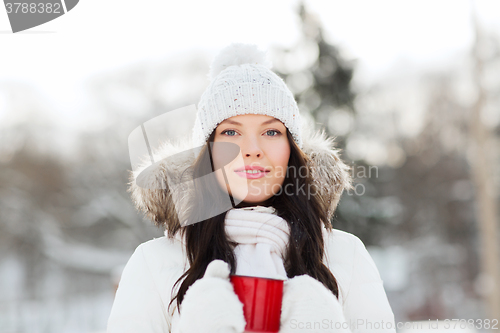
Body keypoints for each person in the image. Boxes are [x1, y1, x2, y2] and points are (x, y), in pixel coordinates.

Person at [106, 43, 396, 333]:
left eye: (271, 132)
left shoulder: (345, 254)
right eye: (231, 132)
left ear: (291, 150)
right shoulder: (153, 262)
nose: (252, 150)